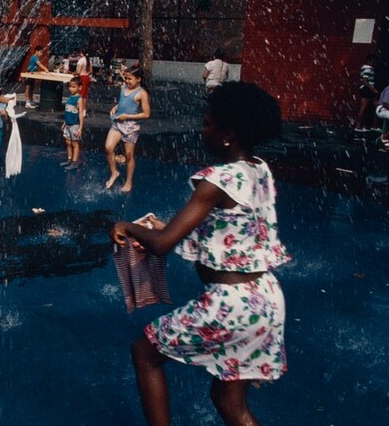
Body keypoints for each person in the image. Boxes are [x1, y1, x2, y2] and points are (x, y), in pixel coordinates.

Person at [110, 81, 289, 426]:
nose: (202, 129)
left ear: (227, 135)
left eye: (208, 123)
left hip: (231, 303)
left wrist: (128, 227)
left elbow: (163, 244)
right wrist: (166, 227)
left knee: (145, 353)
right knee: (228, 400)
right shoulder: (259, 170)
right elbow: (233, 231)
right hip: (265, 297)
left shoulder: (215, 181)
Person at [105, 66, 150, 191]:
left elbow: (146, 114)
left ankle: (129, 182)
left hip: (131, 126)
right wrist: (116, 107)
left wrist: (127, 116)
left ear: (139, 79)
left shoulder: (142, 94)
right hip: (118, 122)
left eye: (130, 79)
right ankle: (114, 172)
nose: (127, 81)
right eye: (126, 79)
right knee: (108, 148)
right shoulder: (123, 88)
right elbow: (123, 102)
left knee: (129, 155)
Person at [60, 76, 85, 170]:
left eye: (74, 87)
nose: (71, 88)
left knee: (75, 143)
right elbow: (68, 111)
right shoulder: (69, 97)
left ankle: (75, 162)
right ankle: (69, 159)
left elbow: (80, 114)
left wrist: (80, 128)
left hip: (74, 125)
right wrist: (64, 122)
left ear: (80, 87)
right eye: (70, 86)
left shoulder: (79, 99)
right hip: (68, 124)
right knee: (68, 142)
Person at [354, 54, 379, 132]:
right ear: (369, 61)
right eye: (373, 62)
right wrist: (373, 89)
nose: (375, 64)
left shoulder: (366, 68)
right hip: (367, 89)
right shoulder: (368, 69)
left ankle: (373, 125)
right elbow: (364, 81)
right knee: (364, 107)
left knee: (377, 106)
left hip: (367, 89)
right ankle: (359, 126)